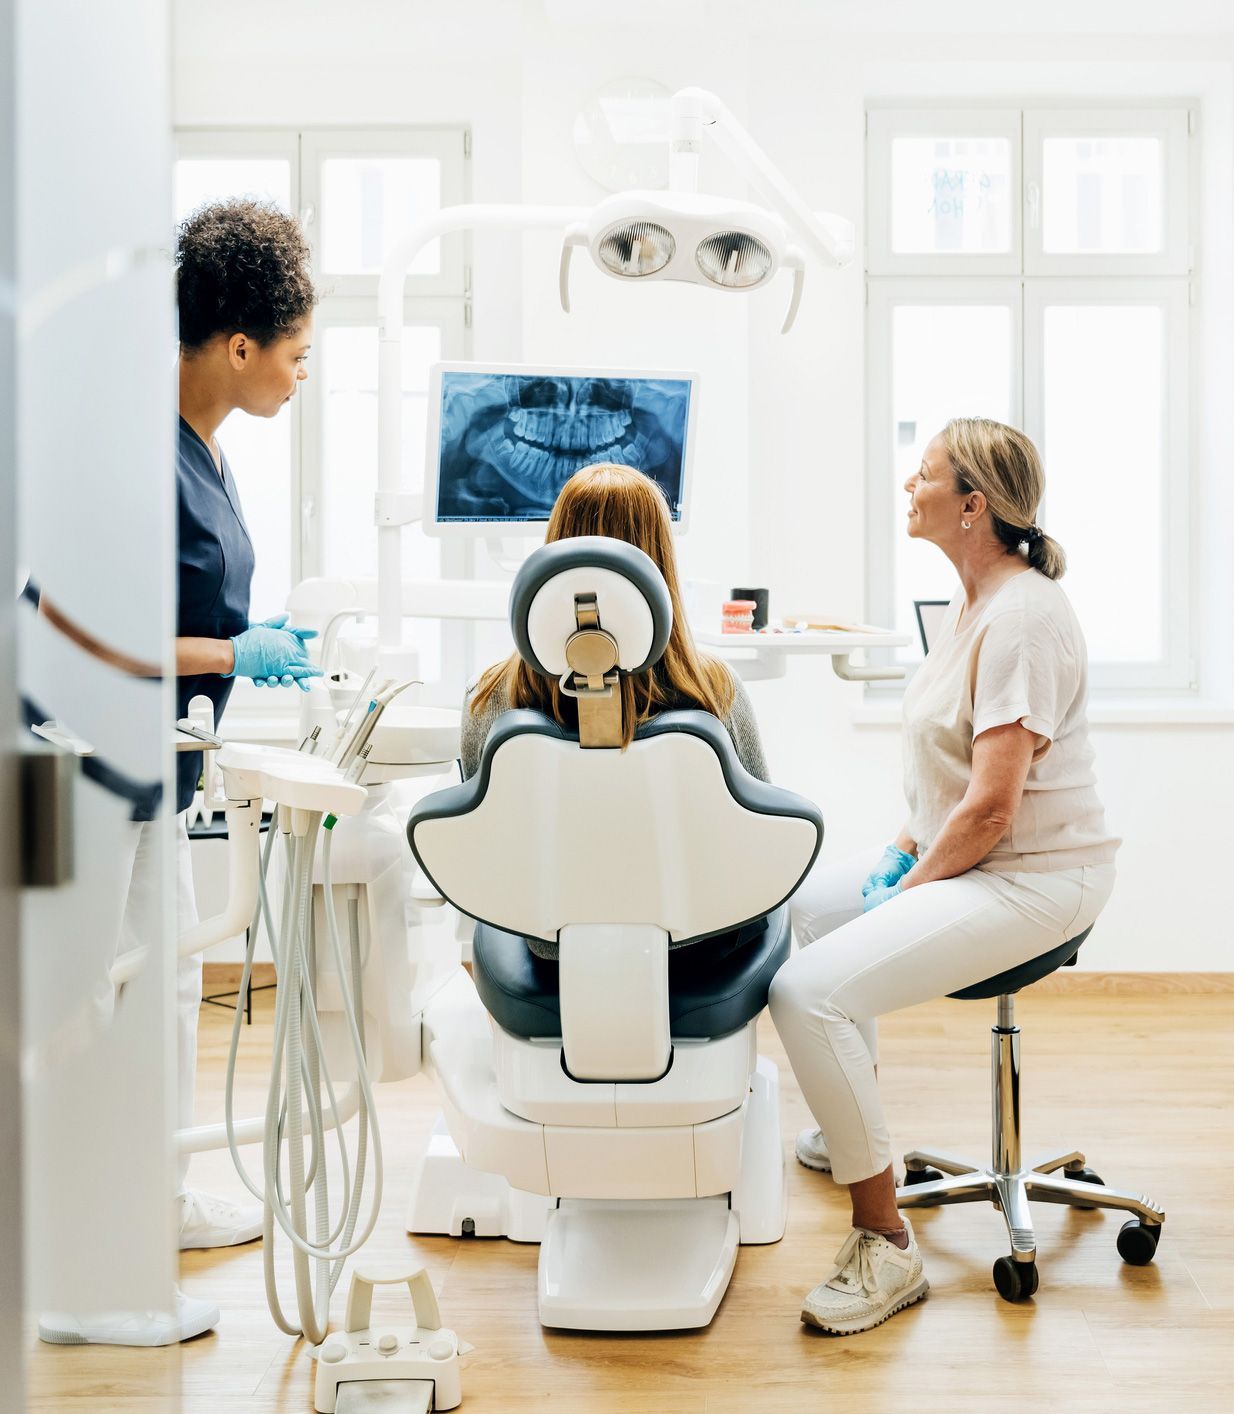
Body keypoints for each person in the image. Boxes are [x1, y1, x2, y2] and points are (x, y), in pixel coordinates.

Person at [37, 198, 322, 1348]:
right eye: (295, 354)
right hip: (79, 762)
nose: (304, 375)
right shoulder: (122, 447)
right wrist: (228, 653)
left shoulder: (203, 443)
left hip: (161, 762)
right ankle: (78, 1277)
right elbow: (60, 622)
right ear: (238, 344)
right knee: (83, 1008)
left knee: (155, 993)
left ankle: (145, 1205)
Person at [768, 417, 1119, 1335]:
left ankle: (885, 1244)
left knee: (808, 993)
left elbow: (995, 807)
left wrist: (913, 886)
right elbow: (950, 769)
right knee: (807, 911)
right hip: (980, 853)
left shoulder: (1026, 618)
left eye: (923, 476)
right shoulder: (973, 602)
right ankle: (853, 1127)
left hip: (1035, 877)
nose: (909, 488)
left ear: (974, 505)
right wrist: (899, 848)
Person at [462, 461, 770, 961]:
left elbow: (488, 838)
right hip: (703, 938)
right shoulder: (715, 691)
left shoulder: (491, 696)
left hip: (551, 945)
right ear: (660, 563)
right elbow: (756, 829)